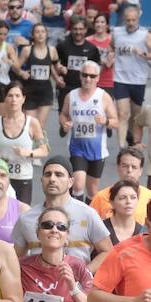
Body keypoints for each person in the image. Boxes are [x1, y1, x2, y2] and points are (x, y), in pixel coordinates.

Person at [13, 154, 112, 264]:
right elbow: (15, 259)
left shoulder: (87, 213)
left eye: (59, 175)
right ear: (42, 180)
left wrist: (85, 274)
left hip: (77, 280)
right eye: (47, 174)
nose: (52, 179)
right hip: (40, 280)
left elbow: (107, 251)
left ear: (70, 182)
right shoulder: (26, 218)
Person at [58, 62, 118, 201]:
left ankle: (89, 216)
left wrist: (106, 121)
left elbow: (116, 121)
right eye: (85, 75)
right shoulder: (71, 96)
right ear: (80, 76)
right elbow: (63, 114)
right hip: (76, 148)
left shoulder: (103, 96)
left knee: (92, 189)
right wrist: (65, 123)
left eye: (92, 76)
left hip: (97, 150)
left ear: (98, 78)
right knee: (78, 185)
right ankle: (77, 215)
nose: (88, 79)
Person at [0, 82, 49, 204]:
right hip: (0, 177)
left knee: (21, 217)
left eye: (17, 96)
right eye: (10, 96)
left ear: (23, 99)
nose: (14, 100)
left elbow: (44, 150)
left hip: (23, 177)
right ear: (5, 98)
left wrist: (28, 153)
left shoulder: (32, 123)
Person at [110, 4, 151, 143]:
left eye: (133, 20)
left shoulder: (145, 35)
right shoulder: (117, 32)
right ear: (124, 19)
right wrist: (111, 54)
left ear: (138, 19)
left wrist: (144, 54)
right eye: (128, 20)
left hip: (138, 80)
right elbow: (112, 46)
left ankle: (131, 139)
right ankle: (121, 148)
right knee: (123, 114)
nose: (130, 23)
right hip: (120, 78)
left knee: (135, 116)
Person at [88, 146, 151, 223]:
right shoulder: (101, 197)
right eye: (125, 166)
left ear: (141, 171)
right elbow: (87, 225)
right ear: (118, 167)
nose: (129, 170)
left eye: (134, 167)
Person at [21, 23, 60, 137]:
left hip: (45, 92)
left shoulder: (52, 50)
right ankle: (26, 151)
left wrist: (59, 73)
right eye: (37, 32)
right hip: (29, 91)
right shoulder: (27, 50)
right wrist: (22, 73)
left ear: (47, 34)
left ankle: (36, 153)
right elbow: (16, 66)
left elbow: (54, 65)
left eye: (43, 31)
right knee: (28, 125)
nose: (40, 34)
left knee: (40, 125)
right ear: (33, 35)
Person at [54, 16, 100, 111]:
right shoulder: (63, 46)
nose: (78, 32)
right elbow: (53, 62)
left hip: (85, 88)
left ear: (86, 30)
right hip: (66, 88)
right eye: (75, 29)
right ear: (71, 29)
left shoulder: (92, 48)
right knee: (65, 120)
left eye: (81, 29)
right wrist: (58, 73)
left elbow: (97, 68)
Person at [86, 13, 116, 100]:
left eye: (102, 22)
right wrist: (100, 61)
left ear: (107, 25)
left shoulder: (113, 39)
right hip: (91, 81)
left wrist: (113, 60)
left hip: (110, 81)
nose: (99, 24)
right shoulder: (88, 41)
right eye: (97, 22)